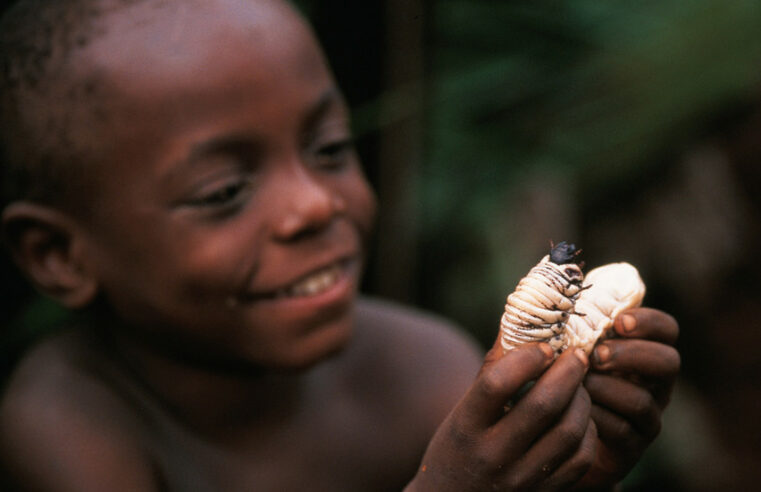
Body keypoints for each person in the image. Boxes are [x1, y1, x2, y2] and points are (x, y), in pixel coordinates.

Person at [0, 0, 680, 490]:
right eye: (224, 192)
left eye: (328, 149)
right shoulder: (69, 429)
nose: (315, 203)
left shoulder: (420, 368)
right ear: (60, 257)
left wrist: (569, 474)